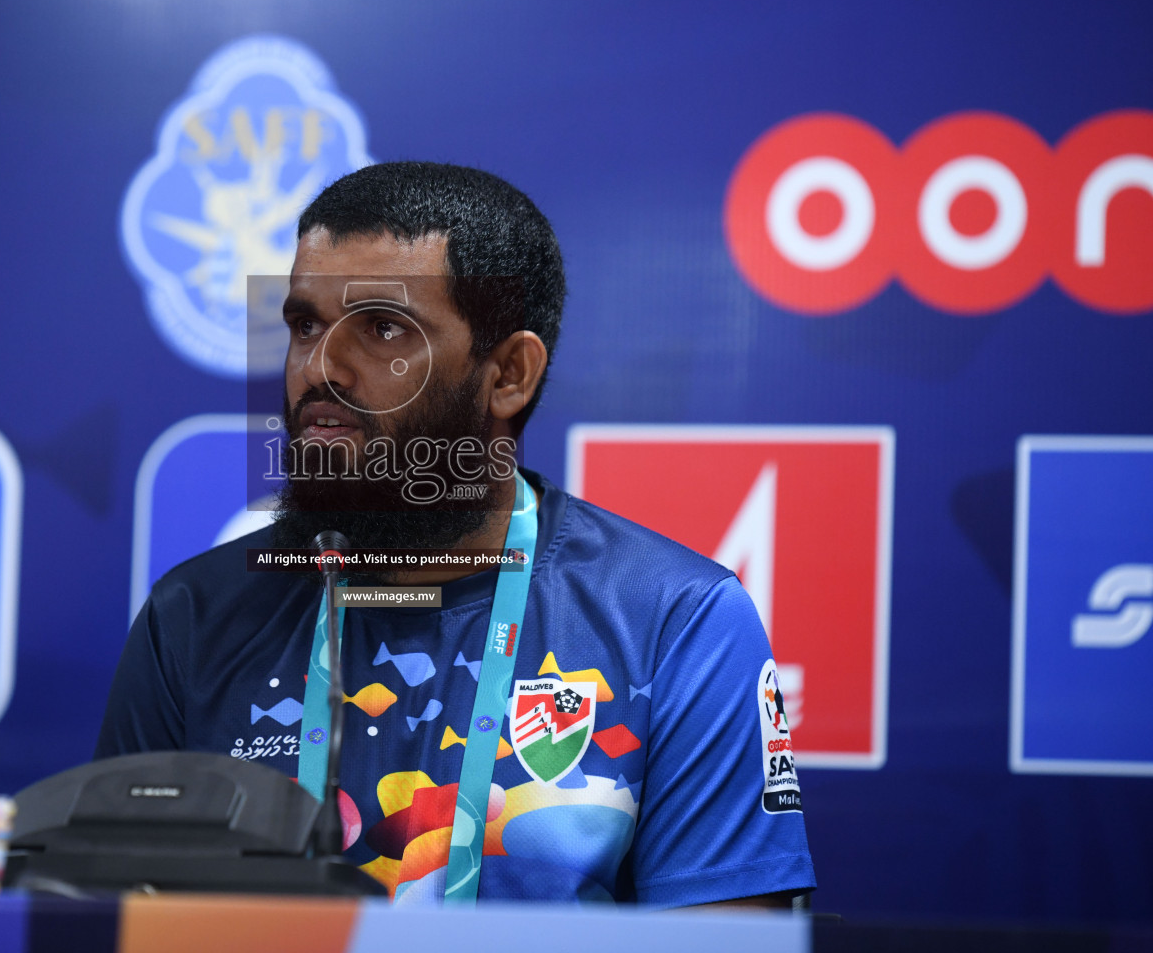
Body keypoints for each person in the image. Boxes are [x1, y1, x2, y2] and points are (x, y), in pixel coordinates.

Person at [97, 162, 815, 906]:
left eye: (381, 329)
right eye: (306, 324)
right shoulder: (195, 616)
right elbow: (112, 918)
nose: (319, 368)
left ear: (508, 374)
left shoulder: (675, 621)